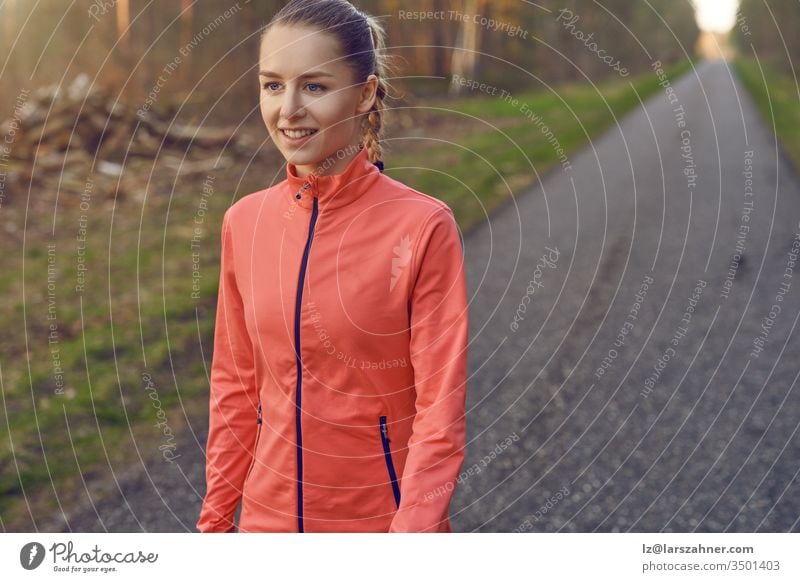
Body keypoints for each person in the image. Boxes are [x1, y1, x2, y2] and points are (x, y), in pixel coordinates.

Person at [196, 0, 469, 533]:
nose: (288, 109)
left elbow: (440, 414)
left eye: (314, 87)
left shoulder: (421, 227)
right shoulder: (244, 223)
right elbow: (235, 388)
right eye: (272, 85)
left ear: (365, 93)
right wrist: (214, 525)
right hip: (265, 528)